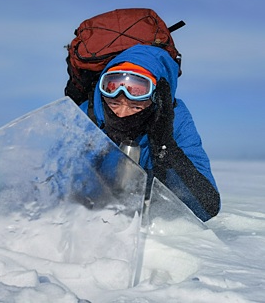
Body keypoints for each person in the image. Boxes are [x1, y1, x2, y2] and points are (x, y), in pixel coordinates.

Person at [80, 44, 220, 221]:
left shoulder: (176, 121)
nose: (121, 114)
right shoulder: (87, 116)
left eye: (136, 106)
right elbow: (55, 185)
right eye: (114, 103)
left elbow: (207, 207)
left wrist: (166, 146)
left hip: (150, 227)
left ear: (156, 99)